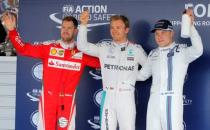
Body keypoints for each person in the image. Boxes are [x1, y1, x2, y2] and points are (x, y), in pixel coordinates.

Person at [2, 12, 100, 130]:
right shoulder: (49, 48)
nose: (65, 30)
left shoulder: (82, 53)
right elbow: (23, 49)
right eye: (63, 27)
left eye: (69, 28)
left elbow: (104, 63)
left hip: (67, 100)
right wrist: (12, 31)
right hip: (48, 99)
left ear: (75, 31)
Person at [77, 11, 147, 130]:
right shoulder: (104, 48)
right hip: (107, 96)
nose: (114, 30)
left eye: (118, 27)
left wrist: (133, 77)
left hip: (126, 96)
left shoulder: (136, 49)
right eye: (112, 28)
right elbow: (82, 46)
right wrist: (83, 25)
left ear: (126, 30)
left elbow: (148, 69)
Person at [137, 9, 203, 130]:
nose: (159, 36)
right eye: (157, 33)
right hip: (154, 101)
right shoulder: (153, 53)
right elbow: (142, 75)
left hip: (172, 100)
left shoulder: (181, 51)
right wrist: (122, 74)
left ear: (171, 33)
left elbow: (198, 50)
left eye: (163, 32)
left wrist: (191, 26)